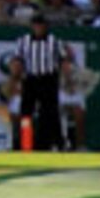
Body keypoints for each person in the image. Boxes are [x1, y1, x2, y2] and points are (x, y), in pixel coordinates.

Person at [15, 12, 65, 152]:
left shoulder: (54, 41)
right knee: (26, 113)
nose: (38, 28)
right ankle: (26, 144)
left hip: (48, 78)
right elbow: (18, 60)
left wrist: (63, 77)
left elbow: (63, 60)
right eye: (36, 25)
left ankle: (47, 144)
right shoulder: (23, 41)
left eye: (41, 25)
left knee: (49, 112)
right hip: (30, 79)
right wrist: (17, 78)